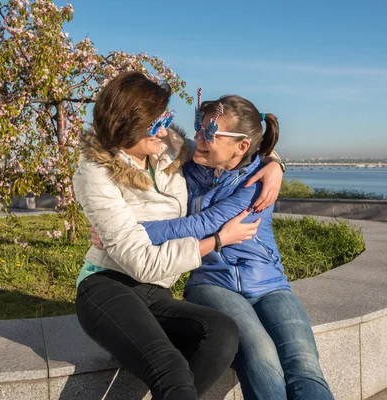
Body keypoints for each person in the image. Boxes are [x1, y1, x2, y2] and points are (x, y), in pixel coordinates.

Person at [72, 72, 284, 400]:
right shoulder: (95, 173)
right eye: (157, 121)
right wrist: (217, 240)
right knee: (170, 366)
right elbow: (141, 263)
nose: (165, 127)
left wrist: (273, 162)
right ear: (129, 121)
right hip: (107, 284)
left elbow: (227, 151)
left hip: (157, 291)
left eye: (166, 118)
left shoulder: (168, 147)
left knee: (224, 333)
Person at [134, 92, 336, 399]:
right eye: (199, 128)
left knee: (305, 365)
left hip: (269, 284)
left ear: (241, 146)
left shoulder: (255, 184)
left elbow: (200, 225)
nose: (200, 138)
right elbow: (146, 137)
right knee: (262, 355)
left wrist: (133, 231)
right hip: (213, 282)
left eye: (210, 133)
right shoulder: (190, 168)